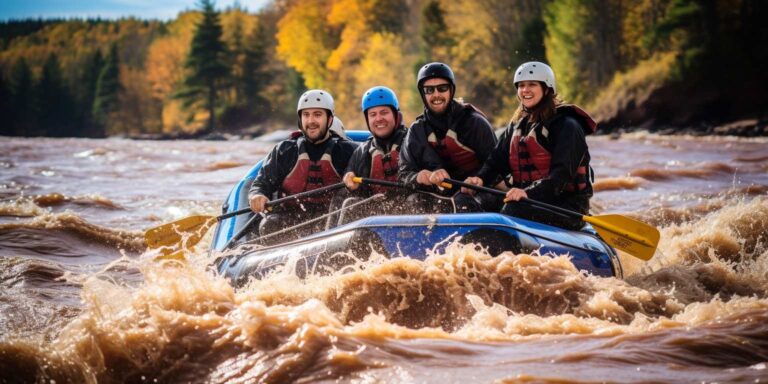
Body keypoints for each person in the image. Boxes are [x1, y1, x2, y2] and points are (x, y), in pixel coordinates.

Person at [463, 61, 597, 230]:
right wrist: (480, 179)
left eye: (532, 84)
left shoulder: (567, 125)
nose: (525, 90)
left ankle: (501, 242)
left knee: (514, 208)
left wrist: (528, 193)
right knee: (474, 199)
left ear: (547, 89)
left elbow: (561, 176)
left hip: (567, 207)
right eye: (521, 85)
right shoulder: (517, 125)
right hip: (527, 201)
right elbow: (496, 161)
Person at [248, 89, 358, 243]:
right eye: (306, 115)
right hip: (292, 220)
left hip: (333, 223)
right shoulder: (285, 150)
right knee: (269, 224)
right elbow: (261, 183)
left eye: (317, 115)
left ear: (330, 119)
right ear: (300, 119)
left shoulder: (347, 151)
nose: (311, 120)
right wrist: (257, 194)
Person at [398, 62, 500, 213]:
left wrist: (478, 179)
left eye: (442, 88)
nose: (436, 94)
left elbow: (497, 166)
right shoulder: (416, 131)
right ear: (423, 94)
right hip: (440, 196)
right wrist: (419, 177)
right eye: (429, 90)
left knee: (463, 201)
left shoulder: (474, 123)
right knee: (414, 202)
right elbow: (403, 175)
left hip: (479, 193)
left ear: (451, 90)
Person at [338, 86, 408, 221]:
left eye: (384, 112)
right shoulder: (362, 152)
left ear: (396, 115)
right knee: (346, 200)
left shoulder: (413, 141)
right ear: (367, 119)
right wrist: (351, 183)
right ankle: (330, 239)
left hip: (408, 209)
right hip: (376, 217)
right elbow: (353, 180)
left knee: (415, 199)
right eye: (373, 114)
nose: (378, 118)